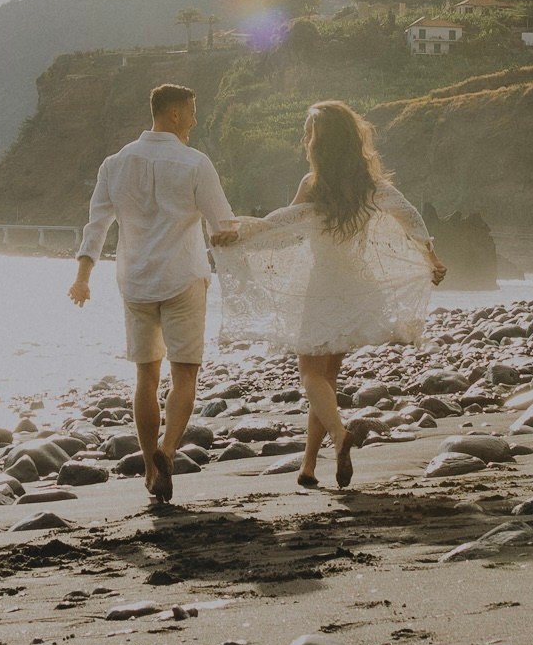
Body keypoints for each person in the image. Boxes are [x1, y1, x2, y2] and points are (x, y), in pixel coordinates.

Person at [216, 99, 445, 491]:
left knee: (309, 373)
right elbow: (411, 216)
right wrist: (431, 257)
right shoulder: (370, 186)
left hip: (323, 290)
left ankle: (339, 435)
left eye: (309, 134)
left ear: (321, 145)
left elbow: (280, 227)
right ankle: (308, 466)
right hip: (358, 289)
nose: (305, 140)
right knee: (326, 380)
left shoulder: (313, 185)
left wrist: (236, 236)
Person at [69, 82, 238, 506]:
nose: (196, 121)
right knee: (185, 375)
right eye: (192, 111)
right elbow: (223, 226)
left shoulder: (115, 164)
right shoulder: (195, 163)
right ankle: (166, 453)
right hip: (183, 279)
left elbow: (97, 226)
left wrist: (83, 276)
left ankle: (149, 469)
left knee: (146, 376)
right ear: (175, 113)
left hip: (136, 283)